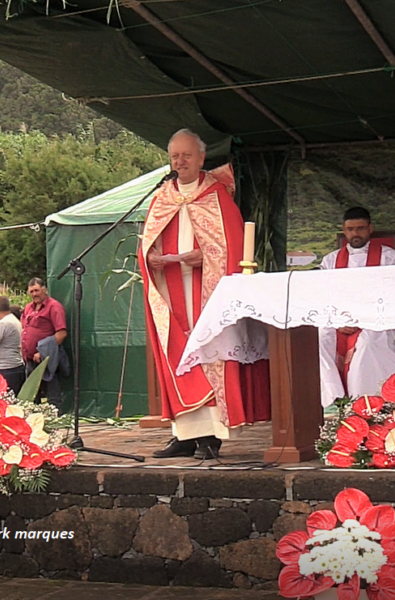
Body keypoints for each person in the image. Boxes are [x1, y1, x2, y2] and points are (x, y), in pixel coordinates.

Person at [140, 128, 270, 460]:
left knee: (210, 357)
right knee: (178, 359)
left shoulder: (217, 197)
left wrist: (208, 257)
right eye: (174, 156)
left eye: (186, 155)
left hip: (206, 296)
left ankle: (211, 436)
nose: (180, 161)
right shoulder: (160, 199)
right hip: (172, 293)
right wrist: (150, 258)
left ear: (200, 158)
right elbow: (147, 244)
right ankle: (183, 435)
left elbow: (233, 247)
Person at [319, 206, 395, 402]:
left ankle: (366, 399)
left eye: (360, 228)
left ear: (370, 228)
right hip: (341, 320)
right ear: (344, 230)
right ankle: (334, 397)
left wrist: (364, 319)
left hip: (377, 319)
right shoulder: (331, 260)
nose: (355, 233)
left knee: (367, 343)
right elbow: (325, 296)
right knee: (320, 337)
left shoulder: (388, 257)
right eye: (350, 229)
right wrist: (338, 321)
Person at [21, 278, 67, 408]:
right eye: (31, 292)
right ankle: (33, 422)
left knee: (52, 393)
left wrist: (42, 352)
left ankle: (57, 421)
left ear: (44, 289)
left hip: (47, 359)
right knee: (31, 396)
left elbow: (61, 334)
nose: (34, 294)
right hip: (29, 359)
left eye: (36, 290)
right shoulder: (28, 308)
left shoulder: (54, 307)